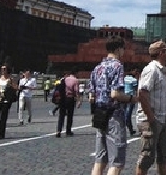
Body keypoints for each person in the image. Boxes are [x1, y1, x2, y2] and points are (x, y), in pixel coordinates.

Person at [90, 35, 130, 175]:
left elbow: (91, 97)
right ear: (118, 49)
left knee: (100, 160)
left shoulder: (97, 68)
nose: (124, 51)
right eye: (123, 48)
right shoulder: (118, 66)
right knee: (116, 162)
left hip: (100, 115)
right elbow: (115, 94)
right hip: (114, 115)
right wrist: (132, 98)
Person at [136, 40, 166, 175]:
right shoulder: (151, 70)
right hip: (151, 120)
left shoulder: (162, 71)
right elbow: (142, 93)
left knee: (164, 155)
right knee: (146, 158)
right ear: (161, 53)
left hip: (162, 117)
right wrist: (151, 118)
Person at [0, 65, 14, 139]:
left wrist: (11, 84)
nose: (3, 70)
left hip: (6, 100)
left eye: (4, 69)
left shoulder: (10, 79)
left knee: (4, 117)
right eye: (2, 69)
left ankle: (2, 133)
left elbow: (15, 88)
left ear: (7, 70)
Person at [57, 71, 81, 137]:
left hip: (62, 99)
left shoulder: (64, 79)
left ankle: (59, 130)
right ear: (75, 74)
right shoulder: (75, 80)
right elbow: (76, 91)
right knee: (70, 115)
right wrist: (78, 100)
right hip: (70, 98)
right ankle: (68, 131)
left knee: (61, 115)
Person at [124, 69, 139, 136]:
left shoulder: (124, 78)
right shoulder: (134, 80)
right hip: (131, 98)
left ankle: (129, 128)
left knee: (126, 114)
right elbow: (136, 89)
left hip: (124, 98)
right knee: (128, 114)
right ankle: (130, 128)